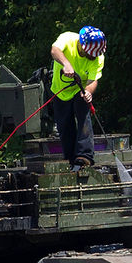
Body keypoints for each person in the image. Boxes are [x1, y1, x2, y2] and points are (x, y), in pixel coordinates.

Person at [50, 26, 106, 170]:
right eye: (90, 54)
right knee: (64, 124)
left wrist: (88, 92)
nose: (92, 57)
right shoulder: (68, 38)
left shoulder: (98, 57)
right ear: (81, 45)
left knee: (83, 112)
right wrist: (66, 64)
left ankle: (84, 156)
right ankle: (70, 158)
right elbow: (54, 50)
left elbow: (93, 80)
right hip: (60, 90)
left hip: (79, 89)